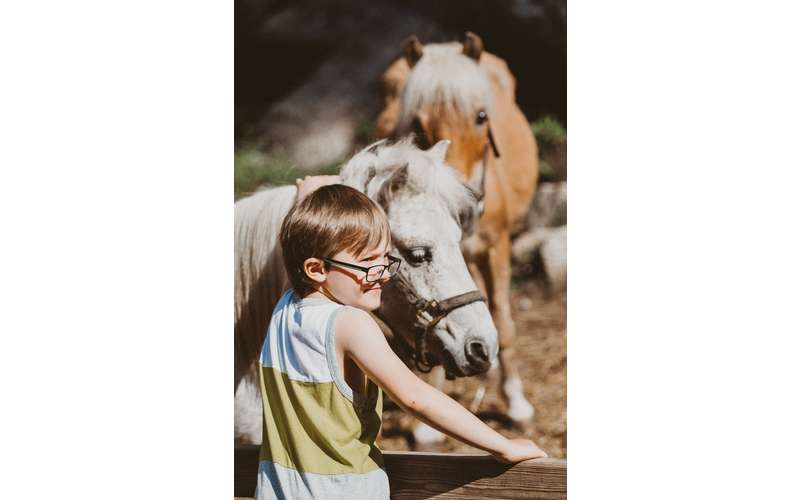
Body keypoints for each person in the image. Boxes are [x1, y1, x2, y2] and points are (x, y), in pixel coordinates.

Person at [255, 181, 546, 500]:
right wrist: (502, 445)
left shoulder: (284, 308)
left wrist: (305, 200)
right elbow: (415, 397)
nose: (383, 272)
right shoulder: (350, 324)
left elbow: (295, 259)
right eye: (367, 262)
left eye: (384, 258)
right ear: (316, 269)